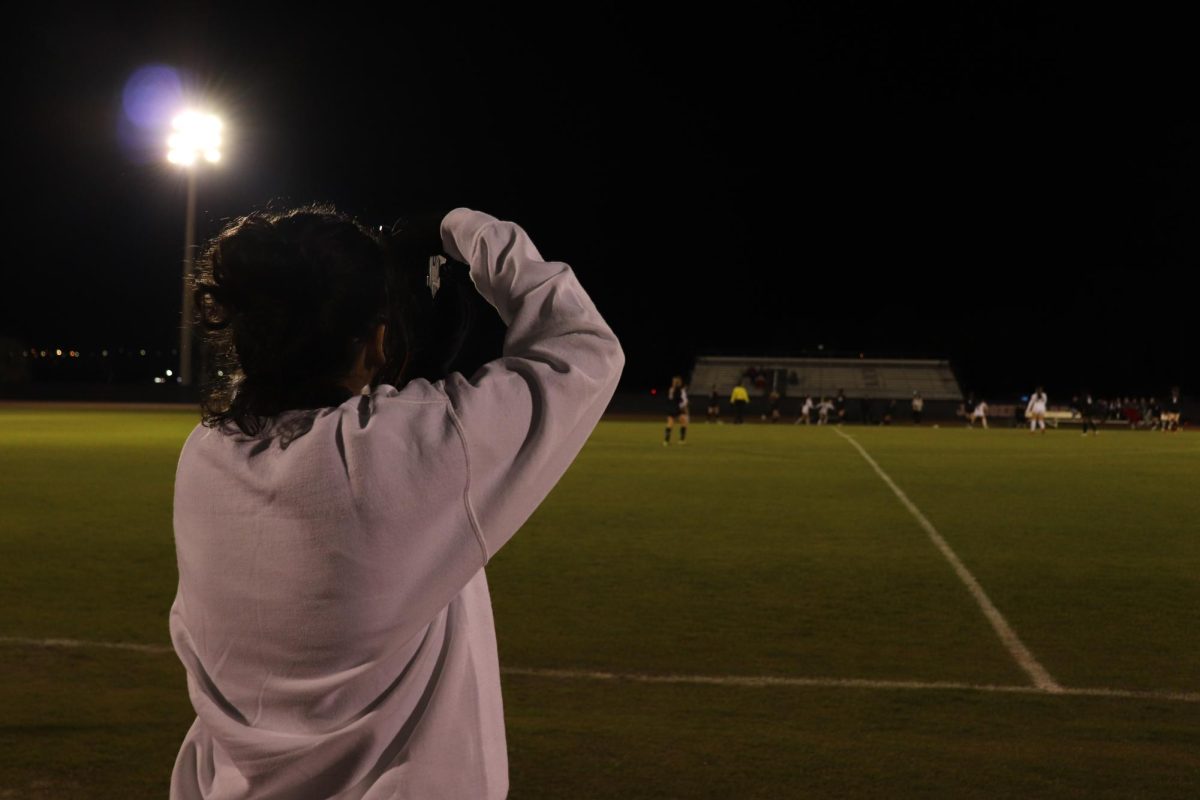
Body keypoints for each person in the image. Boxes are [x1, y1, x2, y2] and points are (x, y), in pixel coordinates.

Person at [170, 206, 624, 799]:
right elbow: (584, 351)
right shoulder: (408, 447)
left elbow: (283, 393)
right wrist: (468, 229)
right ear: (377, 340)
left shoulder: (206, 455)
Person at [664, 375, 689, 445]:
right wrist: (684, 405)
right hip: (676, 408)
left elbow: (670, 398)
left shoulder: (671, 389)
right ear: (679, 382)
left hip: (670, 407)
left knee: (670, 424)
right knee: (684, 422)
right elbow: (680, 400)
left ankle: (666, 441)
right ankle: (681, 440)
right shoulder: (679, 389)